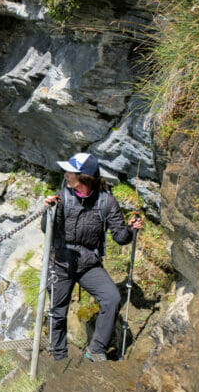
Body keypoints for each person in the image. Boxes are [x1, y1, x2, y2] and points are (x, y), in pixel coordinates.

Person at [41, 153, 143, 362]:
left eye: (70, 172)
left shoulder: (106, 202)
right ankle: (59, 357)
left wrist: (131, 230)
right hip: (62, 261)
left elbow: (120, 237)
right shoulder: (62, 197)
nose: (66, 175)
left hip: (89, 264)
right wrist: (49, 212)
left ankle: (95, 350)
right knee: (58, 311)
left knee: (111, 298)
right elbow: (47, 229)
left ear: (83, 178)